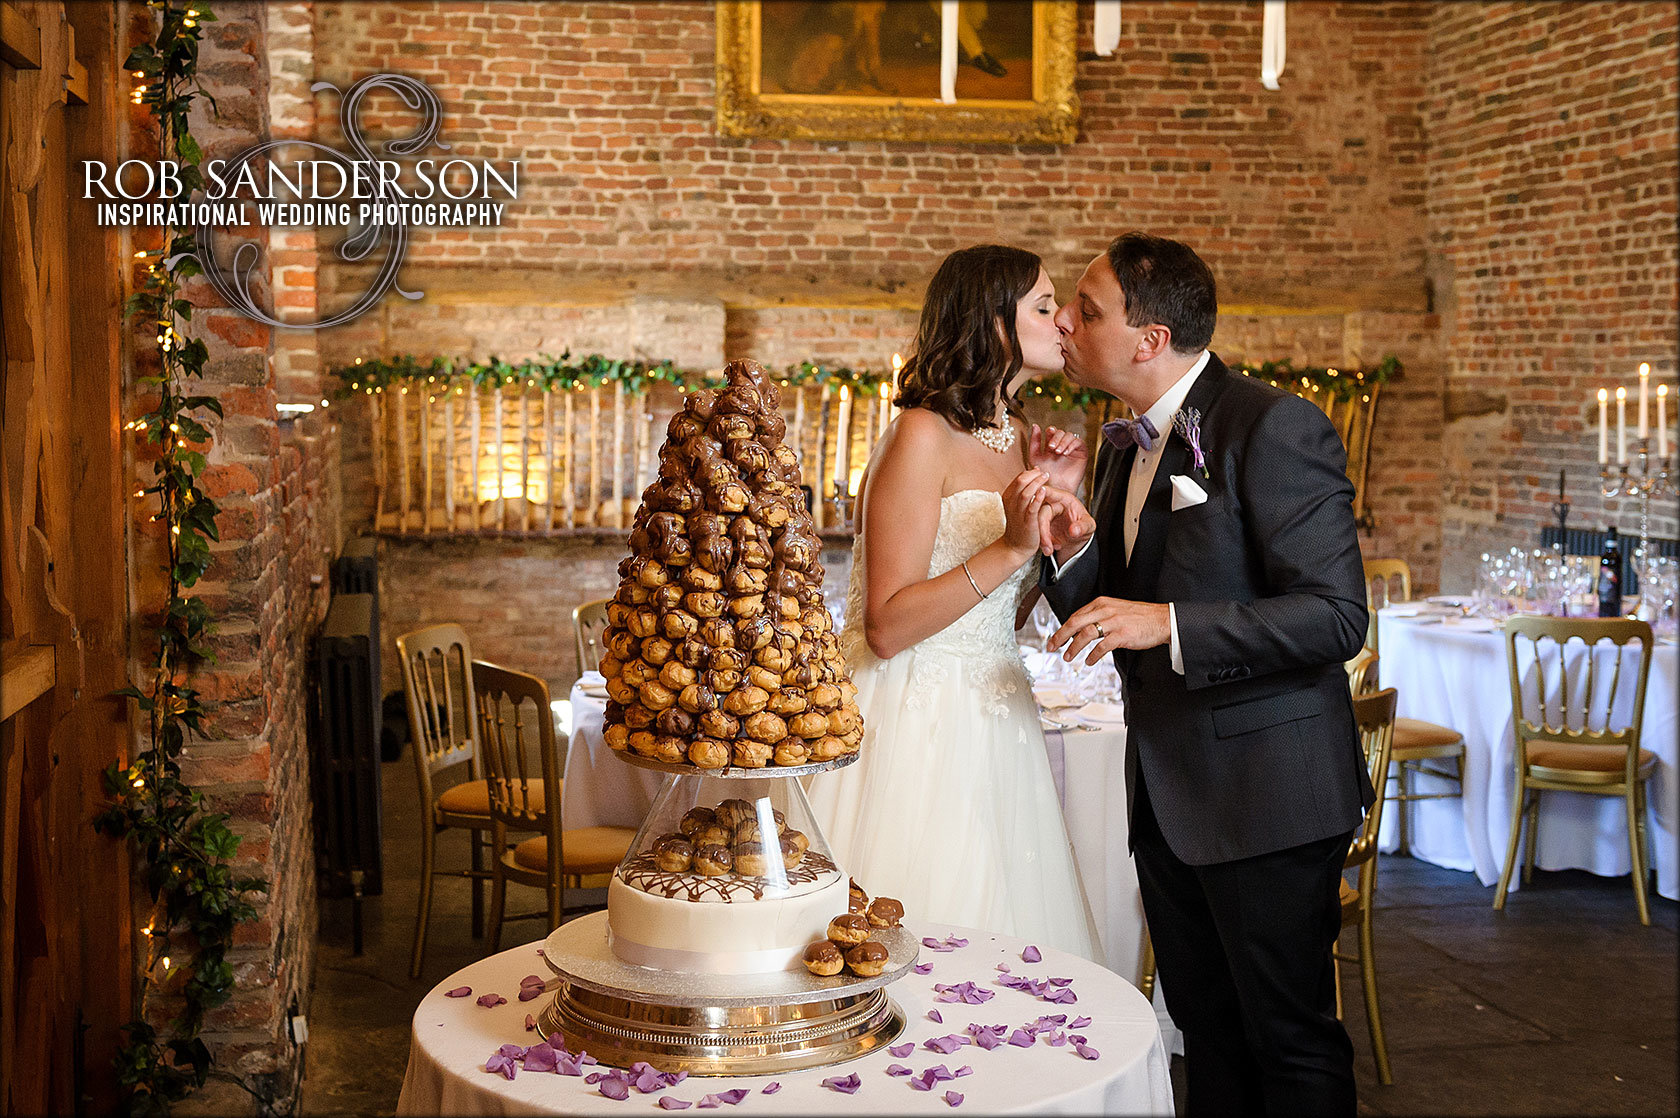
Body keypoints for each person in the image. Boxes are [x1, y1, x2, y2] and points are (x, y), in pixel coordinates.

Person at [1033, 232, 1373, 1115]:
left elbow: (1336, 615)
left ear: (1150, 339)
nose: (1064, 322)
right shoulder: (1123, 443)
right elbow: (1115, 603)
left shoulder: (1273, 426)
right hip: (1170, 793)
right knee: (1205, 1032)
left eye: (1088, 310)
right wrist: (1069, 548)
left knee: (1289, 1041)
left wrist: (1171, 622)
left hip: (1268, 793)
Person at [805, 244, 1101, 962]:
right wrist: (1009, 546)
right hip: (911, 716)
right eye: (1043, 306)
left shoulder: (1020, 438)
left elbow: (1004, 610)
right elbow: (886, 626)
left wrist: (1057, 515)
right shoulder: (921, 433)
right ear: (994, 323)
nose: (1063, 320)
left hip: (996, 716)